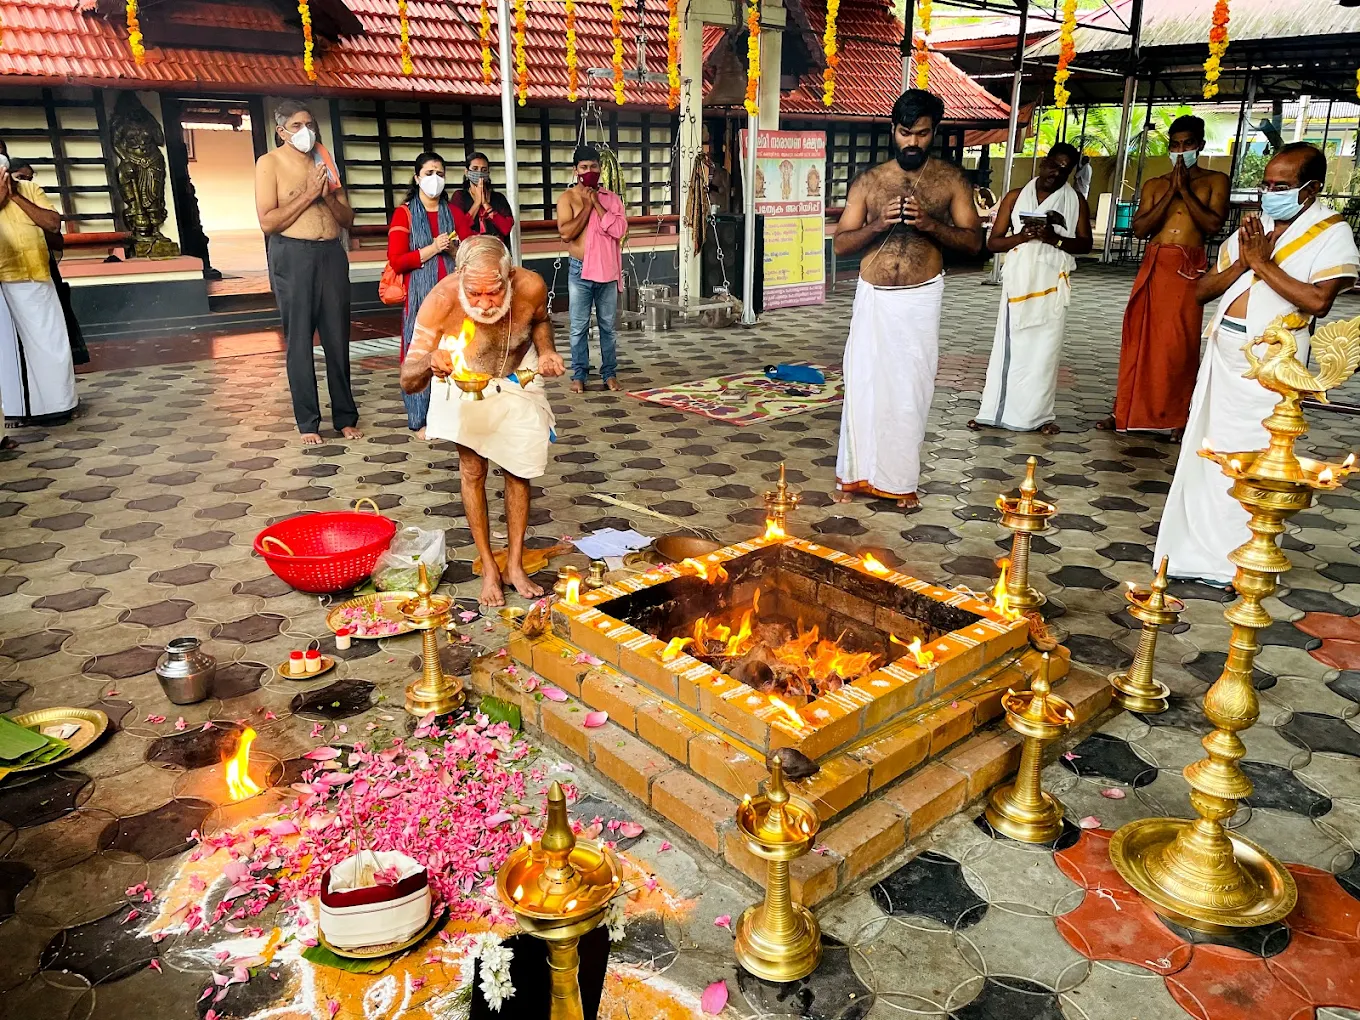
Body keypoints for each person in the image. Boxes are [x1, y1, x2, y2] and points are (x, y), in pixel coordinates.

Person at [1155, 143, 1358, 585]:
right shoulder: (1255, 227)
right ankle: (1192, 551)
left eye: (1281, 186)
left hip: (1274, 360)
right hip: (1224, 350)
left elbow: (1318, 301)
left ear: (1311, 189)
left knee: (1254, 455)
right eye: (1266, 185)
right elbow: (1200, 291)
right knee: (1207, 450)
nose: (1270, 194)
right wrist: (1245, 264)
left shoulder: (1332, 231)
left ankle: (1238, 561)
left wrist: (1262, 264)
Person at [830, 89, 984, 509]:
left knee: (909, 390)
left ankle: (900, 482)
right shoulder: (869, 181)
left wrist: (930, 224)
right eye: (905, 133)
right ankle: (854, 476)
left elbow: (975, 243)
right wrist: (878, 223)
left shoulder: (950, 180)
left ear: (934, 132)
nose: (913, 142)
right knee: (862, 386)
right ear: (892, 130)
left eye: (922, 134)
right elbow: (841, 245)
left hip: (919, 299)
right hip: (873, 298)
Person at [400, 236, 566, 607]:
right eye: (474, 294)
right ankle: (489, 567)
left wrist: (547, 351)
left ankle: (515, 565)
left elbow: (540, 321)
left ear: (510, 275)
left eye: (494, 292)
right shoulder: (441, 301)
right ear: (460, 277)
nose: (485, 304)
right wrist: (429, 361)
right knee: (473, 470)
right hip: (463, 382)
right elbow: (408, 380)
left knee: (519, 470)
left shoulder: (531, 286)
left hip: (517, 377)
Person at [1099, 115, 1230, 437]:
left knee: (1177, 344)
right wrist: (1172, 190)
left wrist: (1185, 191)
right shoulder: (1155, 184)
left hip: (1186, 267)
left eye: (1187, 144)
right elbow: (1141, 228)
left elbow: (1213, 226)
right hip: (1155, 263)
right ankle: (1124, 411)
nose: (1181, 151)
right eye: (1175, 145)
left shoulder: (1215, 181)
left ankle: (1176, 417)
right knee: (1138, 339)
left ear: (1200, 145)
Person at [255, 100, 361, 446]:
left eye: (310, 125)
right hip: (293, 255)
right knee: (300, 340)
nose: (307, 132)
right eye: (297, 126)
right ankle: (308, 422)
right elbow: (268, 222)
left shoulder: (323, 158)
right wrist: (308, 194)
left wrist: (326, 196)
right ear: (281, 131)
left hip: (331, 254)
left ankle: (345, 417)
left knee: (337, 338)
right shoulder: (269, 163)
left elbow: (347, 218)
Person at [969, 143, 1092, 435]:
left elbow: (1085, 244)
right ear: (1043, 162)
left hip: (1052, 284)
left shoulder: (1075, 200)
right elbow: (993, 242)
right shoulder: (1015, 196)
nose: (1055, 173)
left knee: (1044, 352)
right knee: (1009, 348)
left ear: (1071, 172)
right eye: (1053, 165)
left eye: (1064, 169)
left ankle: (1038, 417)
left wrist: (1055, 239)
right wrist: (1022, 237)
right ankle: (993, 413)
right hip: (1019, 282)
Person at [0, 139, 78, 446]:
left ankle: (57, 405)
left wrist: (15, 196)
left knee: (51, 343)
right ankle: (17, 409)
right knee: (10, 352)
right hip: (4, 281)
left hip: (37, 277)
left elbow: (52, 224)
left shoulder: (29, 189)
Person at [387, 152, 457, 437]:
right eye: (429, 173)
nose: (435, 179)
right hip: (420, 296)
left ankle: (450, 414)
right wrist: (433, 248)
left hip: (451, 295)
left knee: (453, 351)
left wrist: (454, 248)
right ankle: (419, 418)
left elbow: (467, 250)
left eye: (440, 173)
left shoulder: (453, 213)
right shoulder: (404, 213)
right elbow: (397, 261)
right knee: (419, 352)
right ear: (417, 178)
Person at [556, 145, 626, 393]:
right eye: (584, 167)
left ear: (600, 168)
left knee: (608, 327)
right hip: (580, 271)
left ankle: (609, 373)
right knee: (578, 327)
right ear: (575, 171)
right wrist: (586, 206)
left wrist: (596, 202)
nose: (589, 171)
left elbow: (619, 230)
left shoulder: (611, 199)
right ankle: (579, 375)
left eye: (593, 166)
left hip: (606, 271)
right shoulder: (567, 198)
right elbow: (566, 234)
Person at [9, 160, 89, 368]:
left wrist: (27, 210)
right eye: (21, 178)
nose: (26, 182)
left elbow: (55, 234)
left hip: (41, 270)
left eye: (29, 178)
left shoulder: (30, 194)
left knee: (51, 333)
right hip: (11, 278)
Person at [450, 152, 515, 243]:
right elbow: (457, 228)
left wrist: (485, 204)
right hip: (470, 248)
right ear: (467, 172)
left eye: (484, 170)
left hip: (495, 248)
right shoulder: (459, 196)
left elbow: (506, 228)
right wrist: (477, 203)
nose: (479, 173)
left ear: (488, 173)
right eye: (475, 169)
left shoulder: (498, 198)